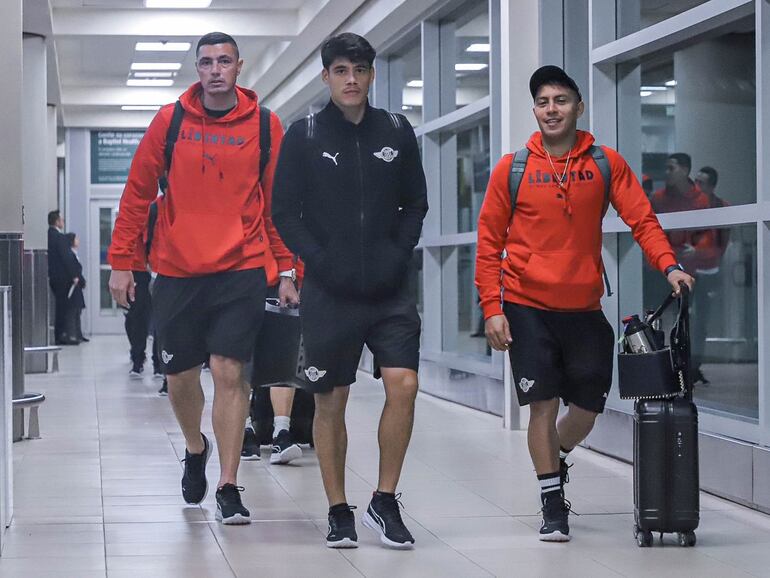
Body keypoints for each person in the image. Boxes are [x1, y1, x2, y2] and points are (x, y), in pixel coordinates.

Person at [475, 65, 694, 542]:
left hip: (584, 307)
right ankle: (552, 502)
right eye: (543, 102)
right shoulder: (512, 169)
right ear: (534, 110)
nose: (551, 109)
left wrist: (669, 265)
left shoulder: (604, 162)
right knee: (541, 404)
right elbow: (489, 243)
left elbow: (642, 220)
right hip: (526, 304)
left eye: (560, 100)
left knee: (588, 408)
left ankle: (553, 461)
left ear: (578, 106)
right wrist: (492, 306)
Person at [107, 31, 297, 525]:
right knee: (179, 376)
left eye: (225, 61)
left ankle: (229, 485)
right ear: (197, 69)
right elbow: (137, 193)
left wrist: (286, 269)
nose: (215, 69)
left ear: (240, 67)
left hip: (241, 268)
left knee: (230, 372)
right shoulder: (170, 122)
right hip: (176, 270)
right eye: (207, 62)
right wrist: (122, 261)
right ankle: (196, 446)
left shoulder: (265, 124)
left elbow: (277, 204)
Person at [273, 33, 428, 549]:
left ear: (372, 75)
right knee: (330, 400)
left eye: (360, 70)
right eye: (341, 70)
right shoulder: (304, 134)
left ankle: (385, 499)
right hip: (331, 293)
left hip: (389, 289)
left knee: (402, 385)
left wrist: (397, 253)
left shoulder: (398, 130)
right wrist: (317, 260)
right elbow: (284, 212)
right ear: (326, 76)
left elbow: (415, 204)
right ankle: (339, 508)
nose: (352, 80)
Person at [242, 259, 306, 465]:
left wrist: (294, 278)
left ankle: (282, 431)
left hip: (277, 273)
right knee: (238, 356)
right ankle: (244, 429)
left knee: (282, 355)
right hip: (238, 272)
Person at [124, 202, 162, 379]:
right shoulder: (150, 211)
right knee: (144, 318)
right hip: (144, 270)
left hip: (145, 270)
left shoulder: (151, 211)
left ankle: (142, 360)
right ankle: (150, 362)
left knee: (140, 318)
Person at [47, 210, 80, 345]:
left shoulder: (49, 235)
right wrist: (74, 275)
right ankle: (61, 335)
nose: (63, 222)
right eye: (62, 220)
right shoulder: (59, 238)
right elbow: (66, 258)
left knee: (60, 306)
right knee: (62, 307)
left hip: (54, 277)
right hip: (61, 279)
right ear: (57, 221)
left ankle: (60, 334)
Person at [64, 233, 87, 343]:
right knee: (73, 311)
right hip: (72, 287)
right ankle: (73, 335)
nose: (78, 240)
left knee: (77, 311)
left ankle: (78, 334)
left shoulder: (73, 254)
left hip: (77, 286)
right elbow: (74, 271)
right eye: (76, 238)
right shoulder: (69, 255)